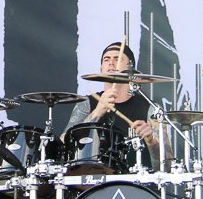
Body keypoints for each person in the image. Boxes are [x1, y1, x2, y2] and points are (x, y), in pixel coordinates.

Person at [64, 42, 162, 170]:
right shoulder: (87, 103)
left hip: (136, 184)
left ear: (130, 67)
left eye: (117, 59)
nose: (111, 63)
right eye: (106, 59)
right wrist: (96, 113)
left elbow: (166, 164)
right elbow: (64, 145)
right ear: (101, 69)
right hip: (93, 181)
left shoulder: (150, 108)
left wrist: (151, 141)